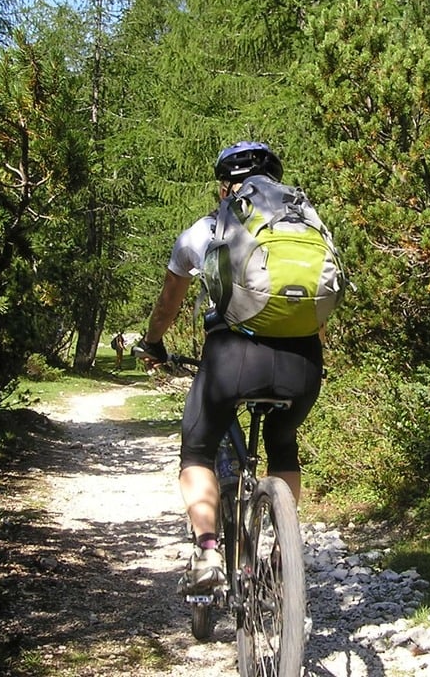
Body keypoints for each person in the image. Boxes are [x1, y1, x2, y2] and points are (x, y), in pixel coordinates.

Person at [136, 141, 325, 593]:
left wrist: (154, 344)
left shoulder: (204, 230)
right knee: (283, 443)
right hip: (302, 364)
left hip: (232, 361)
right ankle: (283, 553)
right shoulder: (306, 225)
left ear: (225, 187)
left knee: (197, 450)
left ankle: (206, 554)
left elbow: (167, 305)